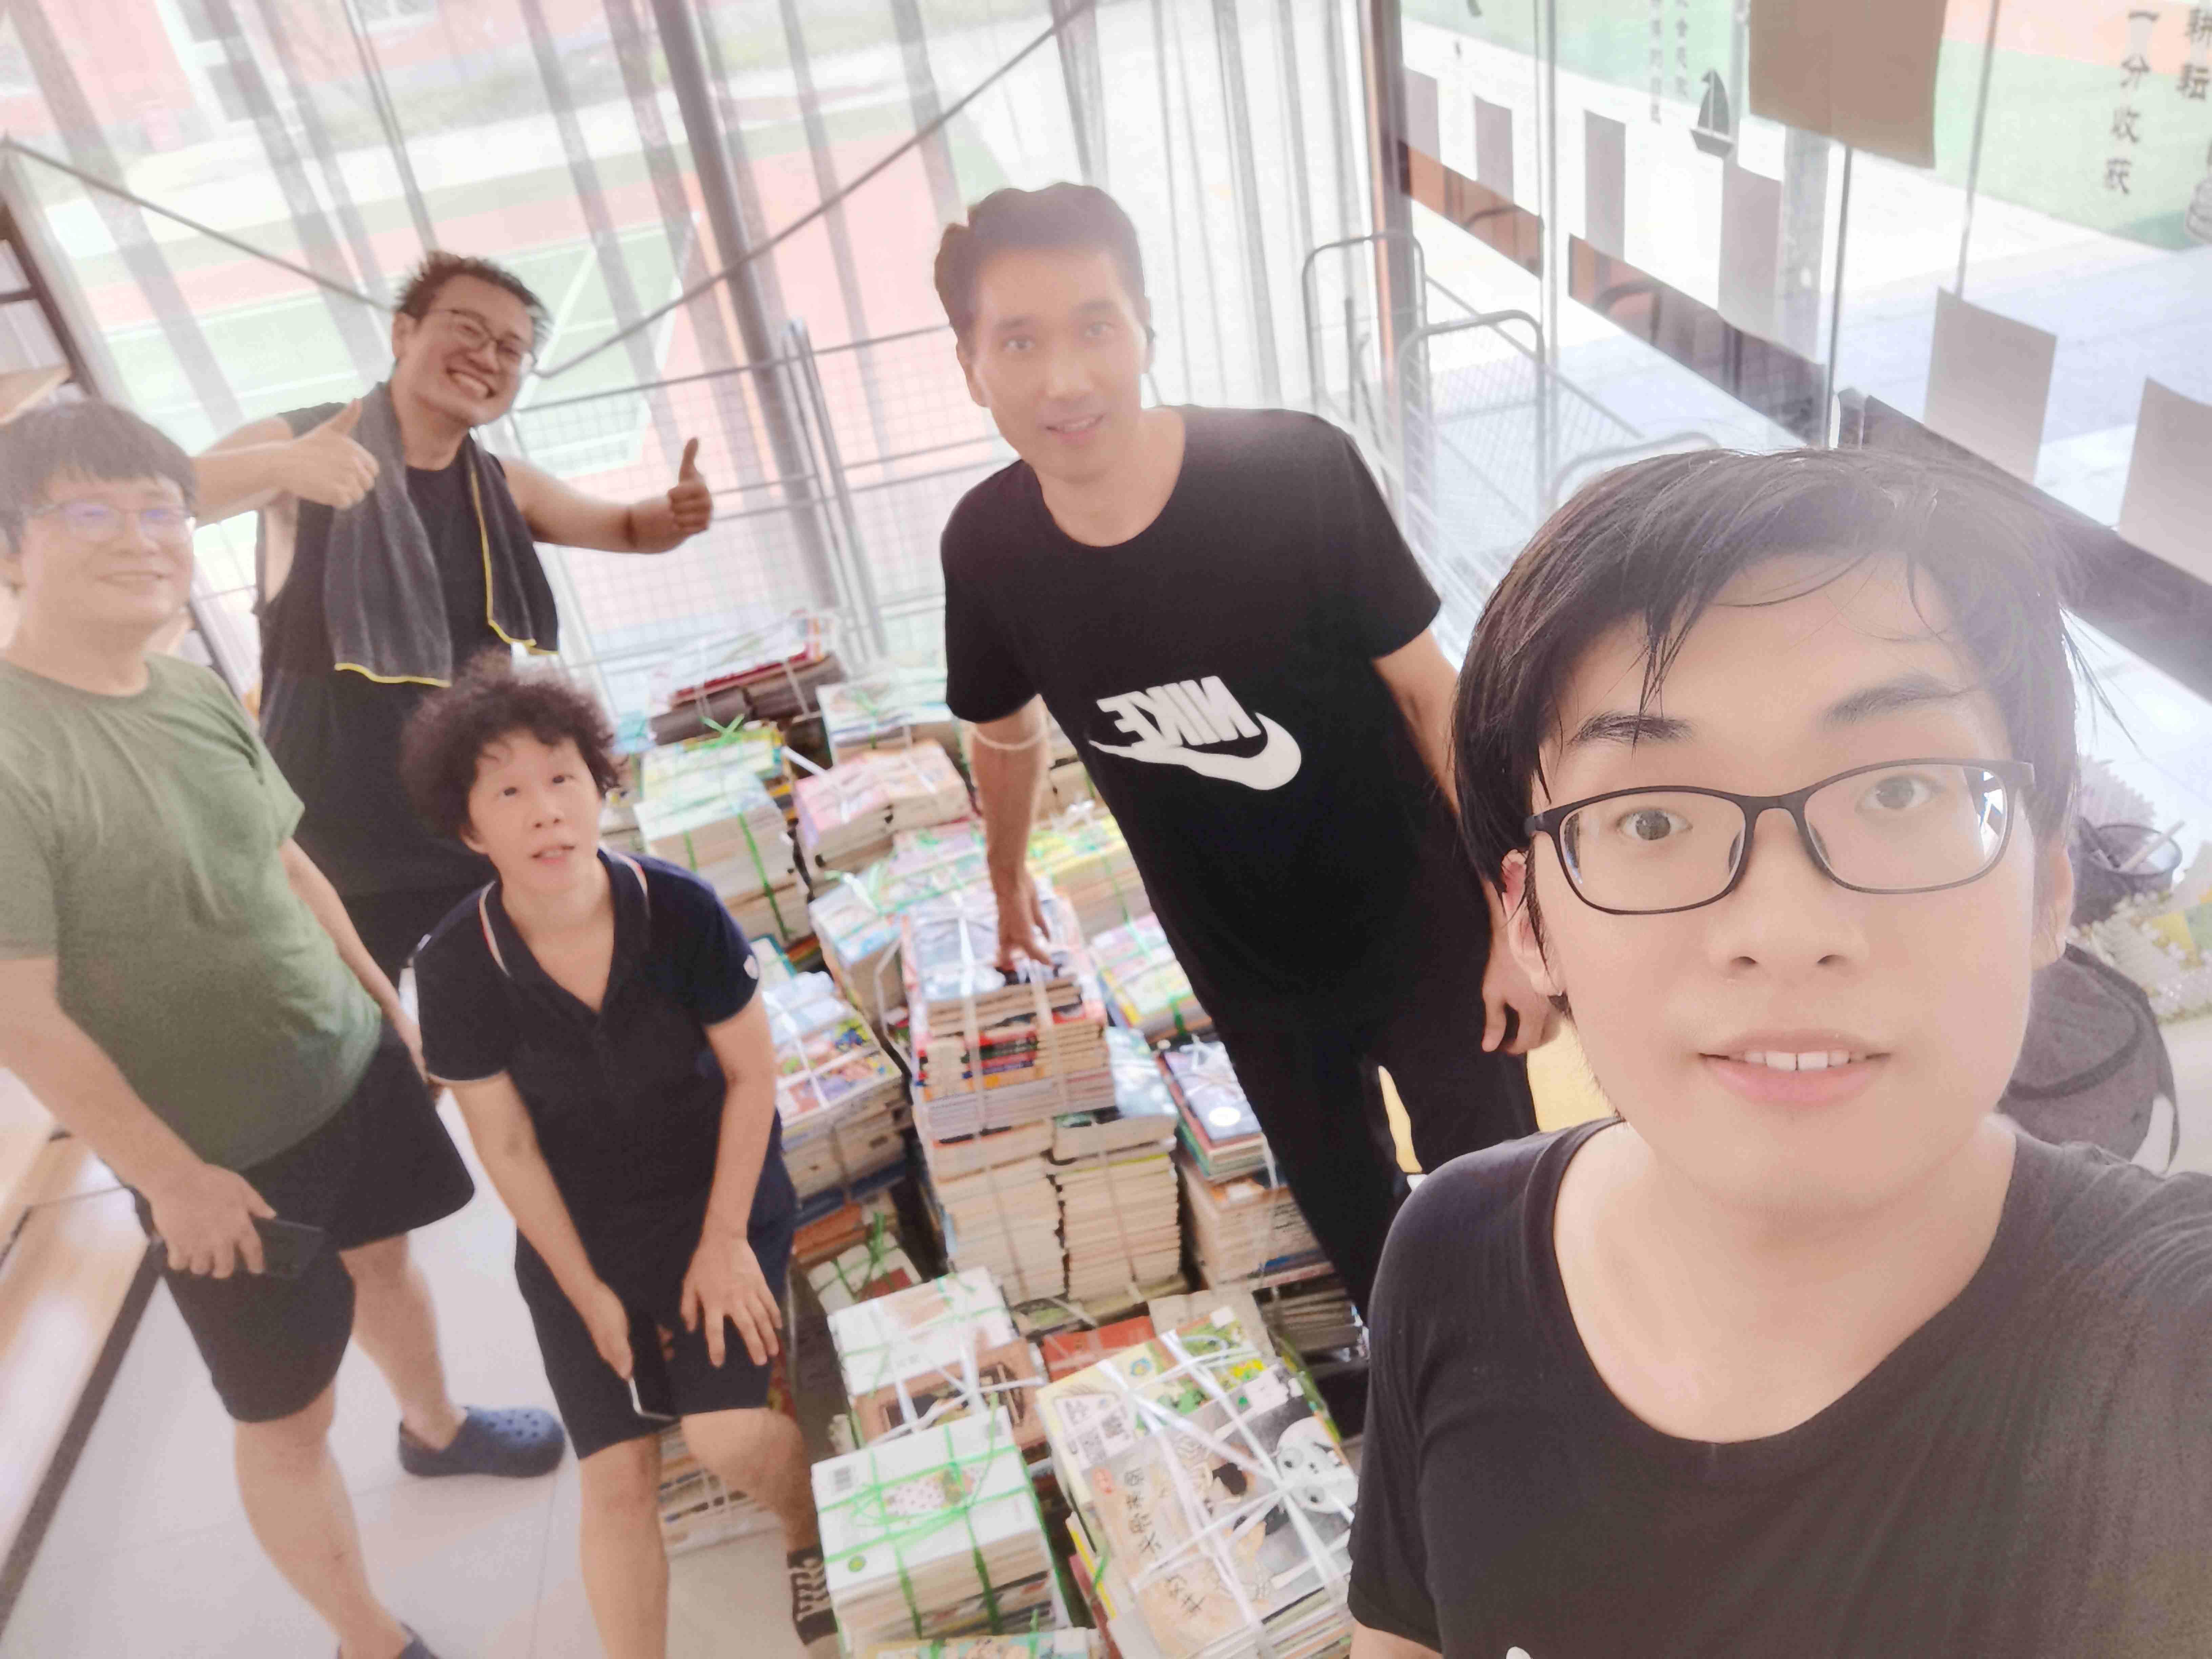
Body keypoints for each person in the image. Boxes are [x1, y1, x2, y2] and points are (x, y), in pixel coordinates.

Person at [1348, 449, 2212, 1657]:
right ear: (1528, 922)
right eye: (1651, 817)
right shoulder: (1449, 1252)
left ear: (2048, 884)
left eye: (1900, 792)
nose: (1786, 929)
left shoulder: (2175, 1356)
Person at [0, 402, 565, 1659]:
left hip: (345, 1062)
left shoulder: (189, 686)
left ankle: (435, 1429)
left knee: (387, 1260)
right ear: (11, 549)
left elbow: (289, 860)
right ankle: (367, 1636)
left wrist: (384, 1007)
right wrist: (172, 1178)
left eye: (161, 509)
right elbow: (19, 1014)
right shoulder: (11, 751)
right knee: (285, 1417)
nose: (140, 538)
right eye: (90, 511)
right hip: (222, 1156)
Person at [933, 183, 1552, 1316]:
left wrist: (1518, 918)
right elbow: (1005, 730)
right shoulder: (985, 547)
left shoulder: (1291, 471)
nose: (1065, 378)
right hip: (1249, 978)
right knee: (1365, 1241)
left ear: (1145, 330)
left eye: (1095, 326)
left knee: (1506, 1222)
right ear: (969, 366)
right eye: (1017, 342)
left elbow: (1433, 699)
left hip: (1426, 928)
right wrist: (1005, 876)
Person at [398, 655, 833, 1659]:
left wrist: (725, 1240)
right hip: (580, 1229)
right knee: (617, 1479)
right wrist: (584, 1289)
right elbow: (506, 1143)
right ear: (469, 828)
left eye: (563, 778)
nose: (546, 811)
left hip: (714, 1198)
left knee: (725, 1436)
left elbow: (753, 1079)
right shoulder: (455, 964)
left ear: (601, 787)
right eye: (509, 792)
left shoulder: (678, 910)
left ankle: (806, 1526)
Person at [193, 251, 715, 983]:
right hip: (334, 850)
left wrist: (673, 515)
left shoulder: (500, 486)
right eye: (467, 328)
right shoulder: (309, 444)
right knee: (360, 1034)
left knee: (521, 1012)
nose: (487, 356)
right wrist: (277, 467)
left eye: (510, 348)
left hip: (474, 830)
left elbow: (628, 528)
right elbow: (163, 493)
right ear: (404, 332)